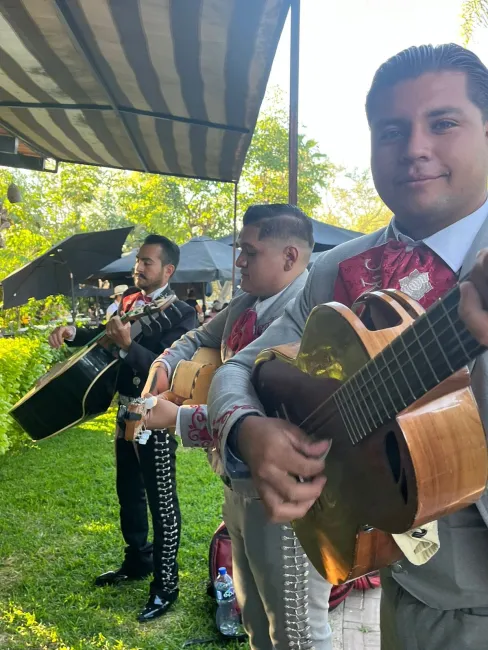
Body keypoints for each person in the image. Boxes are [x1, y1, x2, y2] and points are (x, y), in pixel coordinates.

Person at [207, 44, 488, 650]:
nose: (415, 147)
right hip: (402, 595)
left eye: (444, 123)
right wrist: (247, 428)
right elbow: (241, 366)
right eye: (392, 130)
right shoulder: (340, 269)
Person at [141, 204, 333, 650]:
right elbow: (196, 339)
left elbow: (280, 420)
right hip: (238, 488)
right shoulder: (248, 303)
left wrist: (181, 419)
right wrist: (165, 363)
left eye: (249, 251)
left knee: (298, 634)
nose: (239, 261)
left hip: (287, 500)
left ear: (289, 257)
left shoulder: (313, 317)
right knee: (256, 623)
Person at [48, 234, 196, 622]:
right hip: (125, 412)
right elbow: (103, 338)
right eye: (138, 261)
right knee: (129, 492)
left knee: (162, 499)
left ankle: (165, 586)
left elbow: (174, 372)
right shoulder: (127, 301)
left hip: (157, 415)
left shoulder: (183, 313)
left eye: (147, 262)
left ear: (168, 270)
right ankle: (138, 561)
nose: (138, 267)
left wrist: (130, 347)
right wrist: (72, 334)